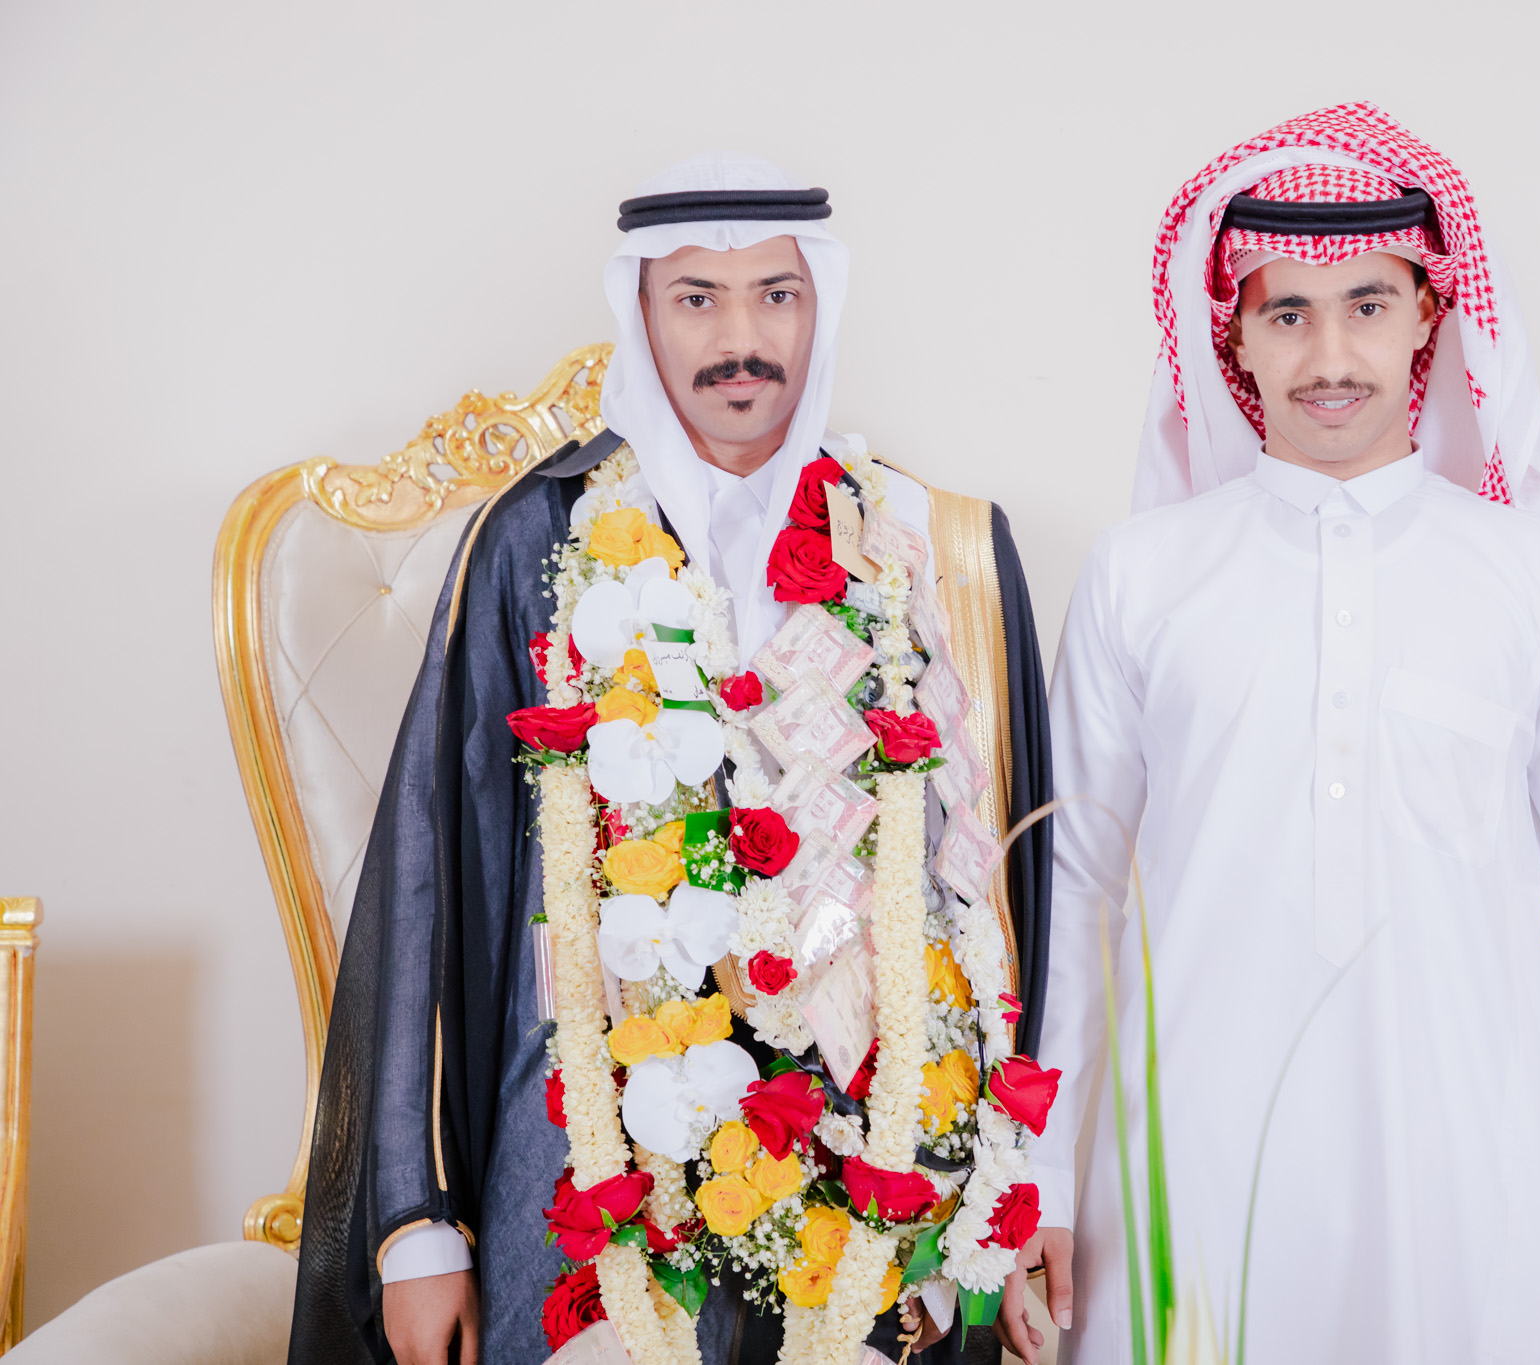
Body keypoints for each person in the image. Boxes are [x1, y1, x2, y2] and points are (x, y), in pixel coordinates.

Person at [288, 152, 1055, 1365]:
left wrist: (1015, 1198)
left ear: (819, 307)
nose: (739, 339)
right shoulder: (540, 536)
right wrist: (417, 1225)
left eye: (775, 296)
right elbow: (439, 865)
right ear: (640, 314)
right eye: (696, 298)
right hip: (590, 1126)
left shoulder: (915, 541)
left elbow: (999, 900)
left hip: (872, 1139)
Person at [1024, 103, 1540, 1364]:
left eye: (1365, 304)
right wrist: (1032, 1184)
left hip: (1469, 1164)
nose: (1329, 354)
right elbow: (1072, 894)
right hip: (1192, 1160)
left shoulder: (1534, 576)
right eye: (1286, 313)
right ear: (1233, 337)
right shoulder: (1142, 574)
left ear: (1427, 318)